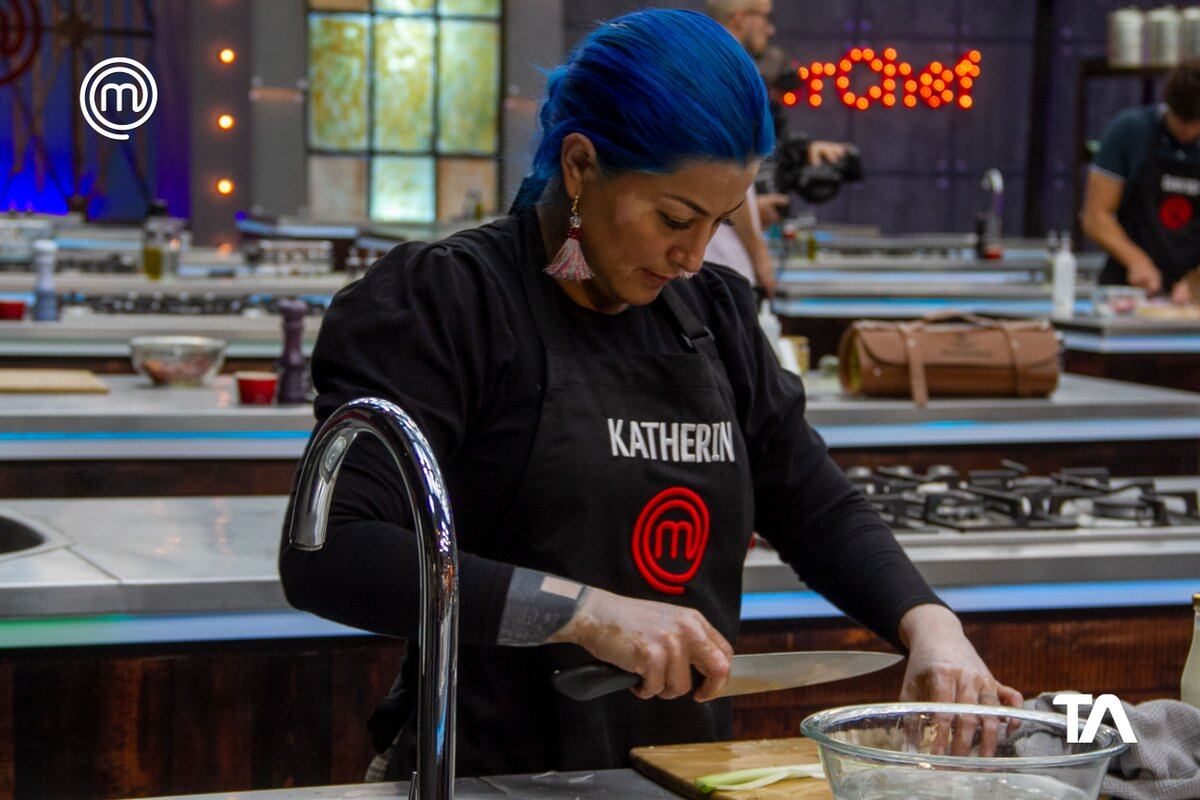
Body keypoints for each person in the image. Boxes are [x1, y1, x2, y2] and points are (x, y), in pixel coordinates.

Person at [280, 9, 1020, 781]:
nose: (693, 256)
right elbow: (330, 551)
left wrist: (928, 624)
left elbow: (810, 500)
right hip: (484, 775)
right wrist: (584, 613)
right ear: (579, 165)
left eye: (717, 223)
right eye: (674, 217)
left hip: (678, 774)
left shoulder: (714, 317)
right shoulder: (450, 302)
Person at [703, 0, 850, 297]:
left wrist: (755, 210)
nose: (770, 30)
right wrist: (760, 257)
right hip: (721, 271)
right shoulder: (728, 74)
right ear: (739, 19)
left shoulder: (705, 67)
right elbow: (729, 171)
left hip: (712, 265)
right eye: (765, 18)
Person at [1082, 59, 1200, 302]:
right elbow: (1095, 216)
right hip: (1128, 292)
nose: (1187, 132)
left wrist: (1195, 280)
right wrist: (1136, 260)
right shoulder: (1130, 131)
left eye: (1196, 124)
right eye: (1181, 121)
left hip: (1190, 297)